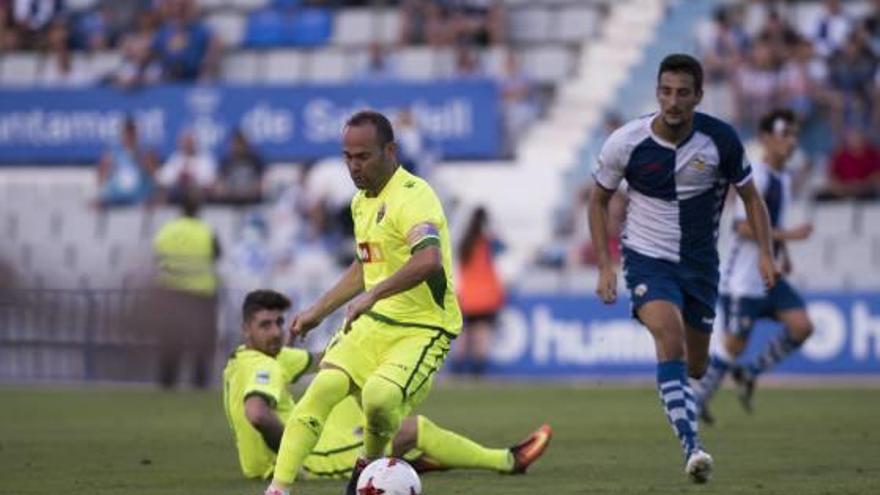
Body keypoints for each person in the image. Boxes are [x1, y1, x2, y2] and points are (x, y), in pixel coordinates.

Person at [264, 111, 551, 495]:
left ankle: (366, 469)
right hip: (375, 321)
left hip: (423, 326)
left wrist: (374, 294)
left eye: (362, 156)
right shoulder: (361, 202)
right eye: (347, 156)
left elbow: (427, 259)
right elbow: (365, 266)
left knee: (379, 398)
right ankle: (278, 490)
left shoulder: (415, 196)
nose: (353, 166)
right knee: (323, 386)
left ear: (390, 150)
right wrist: (318, 311)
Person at [587, 54, 777, 484]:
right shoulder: (626, 141)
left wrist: (766, 252)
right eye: (666, 92)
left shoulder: (720, 141)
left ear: (698, 96)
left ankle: (688, 406)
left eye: (683, 93)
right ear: (657, 92)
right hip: (646, 260)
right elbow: (598, 200)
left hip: (700, 267)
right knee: (668, 339)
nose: (673, 102)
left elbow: (751, 198)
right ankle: (693, 447)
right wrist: (605, 263)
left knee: (694, 366)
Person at [224, 289, 551, 482]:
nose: (275, 331)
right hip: (308, 461)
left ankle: (413, 462)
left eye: (279, 322)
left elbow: (323, 358)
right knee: (410, 428)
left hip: (270, 457)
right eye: (265, 325)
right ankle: (507, 461)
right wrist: (293, 457)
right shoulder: (262, 366)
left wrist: (373, 345)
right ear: (245, 329)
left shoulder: (254, 358)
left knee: (347, 393)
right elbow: (256, 413)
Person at [693, 109, 815, 424]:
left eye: (794, 135)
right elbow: (743, 228)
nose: (791, 141)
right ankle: (697, 400)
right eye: (784, 134)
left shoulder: (783, 180)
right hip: (744, 280)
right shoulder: (757, 175)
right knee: (734, 344)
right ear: (765, 138)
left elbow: (771, 223)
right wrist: (791, 235)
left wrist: (783, 252)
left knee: (802, 326)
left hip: (769, 275)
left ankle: (750, 373)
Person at [151, 192, 221, 388]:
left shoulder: (167, 230)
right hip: (201, 295)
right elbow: (217, 254)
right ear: (198, 209)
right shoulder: (205, 231)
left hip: (171, 292)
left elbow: (157, 255)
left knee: (170, 339)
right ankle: (199, 383)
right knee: (201, 341)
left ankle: (167, 382)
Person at [453, 206, 505, 376]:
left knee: (463, 334)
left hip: (466, 296)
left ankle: (457, 369)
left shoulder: (464, 243)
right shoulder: (489, 243)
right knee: (482, 334)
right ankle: (478, 371)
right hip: (486, 296)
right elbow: (505, 250)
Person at [96, 117, 157, 207]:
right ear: (121, 134)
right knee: (97, 203)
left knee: (150, 202)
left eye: (131, 133)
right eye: (126, 133)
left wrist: (141, 160)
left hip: (139, 196)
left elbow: (153, 176)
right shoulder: (111, 154)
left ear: (136, 134)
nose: (129, 137)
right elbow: (100, 179)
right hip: (115, 196)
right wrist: (108, 169)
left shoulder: (146, 153)